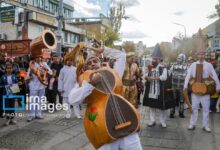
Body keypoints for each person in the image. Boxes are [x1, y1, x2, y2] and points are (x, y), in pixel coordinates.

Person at [68, 41, 142, 150]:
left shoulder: (113, 71)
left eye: (95, 61)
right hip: (102, 127)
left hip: (125, 120)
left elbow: (121, 56)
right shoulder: (83, 79)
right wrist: (89, 84)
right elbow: (72, 100)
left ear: (100, 61)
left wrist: (102, 50)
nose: (93, 64)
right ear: (86, 66)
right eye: (89, 63)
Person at [184, 30, 220, 132]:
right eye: (199, 54)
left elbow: (215, 76)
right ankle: (192, 124)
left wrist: (218, 87)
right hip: (195, 90)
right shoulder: (193, 65)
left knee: (206, 110)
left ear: (204, 55)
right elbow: (188, 76)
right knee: (194, 109)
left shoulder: (209, 65)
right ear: (197, 55)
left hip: (205, 91)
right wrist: (185, 86)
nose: (201, 56)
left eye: (202, 54)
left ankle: (205, 125)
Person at [143, 43, 174, 128]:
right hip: (151, 89)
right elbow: (144, 75)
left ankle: (162, 121)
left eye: (156, 59)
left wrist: (153, 78)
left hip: (159, 89)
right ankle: (152, 120)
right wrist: (147, 77)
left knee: (161, 107)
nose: (154, 60)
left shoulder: (163, 67)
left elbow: (164, 77)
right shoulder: (149, 67)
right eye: (153, 58)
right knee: (151, 105)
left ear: (159, 59)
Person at [27, 55, 52, 122]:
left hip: (42, 85)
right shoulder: (32, 65)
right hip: (33, 86)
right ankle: (31, 115)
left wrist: (44, 71)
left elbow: (50, 72)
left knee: (40, 100)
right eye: (37, 57)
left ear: (41, 58)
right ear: (35, 58)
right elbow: (28, 76)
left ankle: (38, 114)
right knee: (32, 101)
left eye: (39, 57)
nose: (38, 58)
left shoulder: (44, 64)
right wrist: (31, 74)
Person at [169, 53, 188, 118]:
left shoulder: (186, 66)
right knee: (173, 100)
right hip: (174, 86)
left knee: (182, 100)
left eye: (180, 58)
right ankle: (172, 112)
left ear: (183, 59)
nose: (178, 59)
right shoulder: (173, 65)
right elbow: (169, 74)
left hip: (182, 87)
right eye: (178, 58)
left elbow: (188, 76)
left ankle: (181, 112)